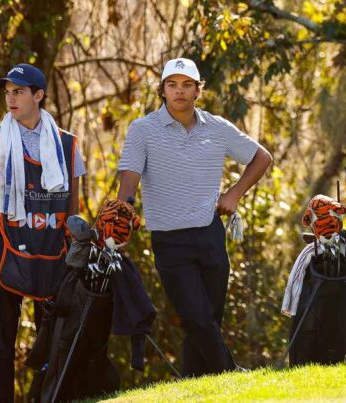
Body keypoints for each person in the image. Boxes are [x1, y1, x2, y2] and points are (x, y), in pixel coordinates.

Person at [116, 58, 272, 376]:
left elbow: (261, 157)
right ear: (162, 90)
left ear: (198, 90)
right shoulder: (143, 129)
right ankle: (231, 377)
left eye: (187, 84)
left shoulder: (216, 127)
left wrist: (234, 194)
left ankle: (195, 386)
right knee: (197, 317)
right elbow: (129, 178)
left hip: (210, 234)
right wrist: (122, 214)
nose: (180, 91)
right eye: (172, 85)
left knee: (206, 322)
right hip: (170, 240)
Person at [0, 63, 86, 402]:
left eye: (18, 91)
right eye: (7, 92)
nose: (10, 98)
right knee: (3, 340)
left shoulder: (68, 144)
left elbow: (73, 206)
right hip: (9, 249)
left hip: (53, 251)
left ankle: (46, 397)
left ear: (38, 95)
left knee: (52, 339)